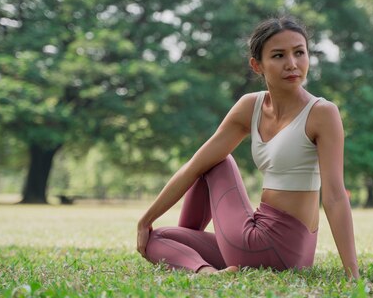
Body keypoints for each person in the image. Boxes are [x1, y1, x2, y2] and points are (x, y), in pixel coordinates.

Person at [136, 16, 359, 278]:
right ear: (257, 65)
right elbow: (193, 167)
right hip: (280, 250)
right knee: (158, 235)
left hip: (268, 244)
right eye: (278, 56)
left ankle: (199, 267)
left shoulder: (322, 112)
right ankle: (201, 261)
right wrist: (146, 221)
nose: (292, 64)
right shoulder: (250, 107)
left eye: (299, 52)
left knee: (218, 161)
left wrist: (352, 274)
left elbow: (334, 197)